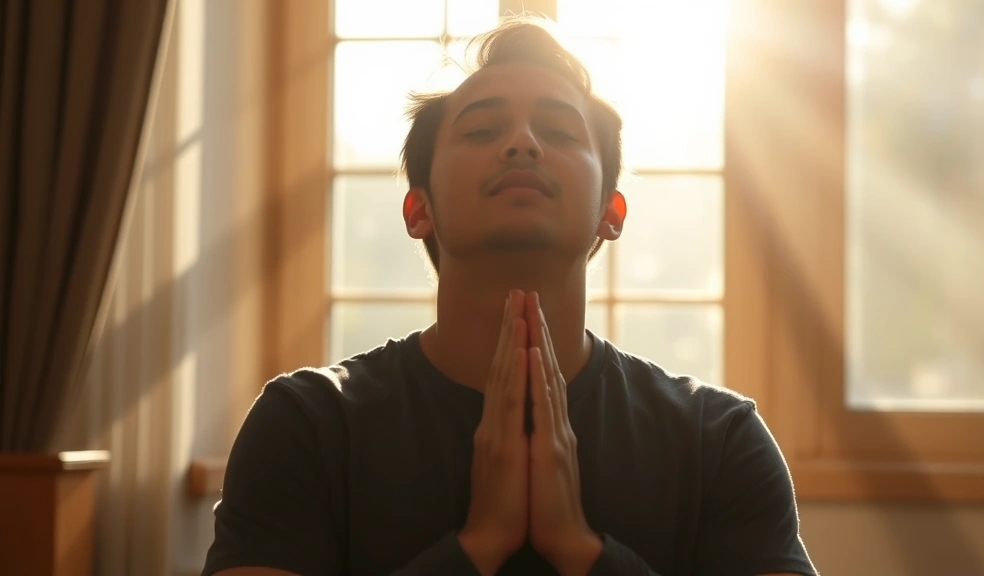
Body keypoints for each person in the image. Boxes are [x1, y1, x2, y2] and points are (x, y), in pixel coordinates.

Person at [202, 17, 817, 576]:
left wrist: (580, 549)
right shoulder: (307, 425)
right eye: (482, 129)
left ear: (610, 211)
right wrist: (478, 546)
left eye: (558, 130)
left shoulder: (718, 439)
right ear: (418, 210)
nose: (522, 144)